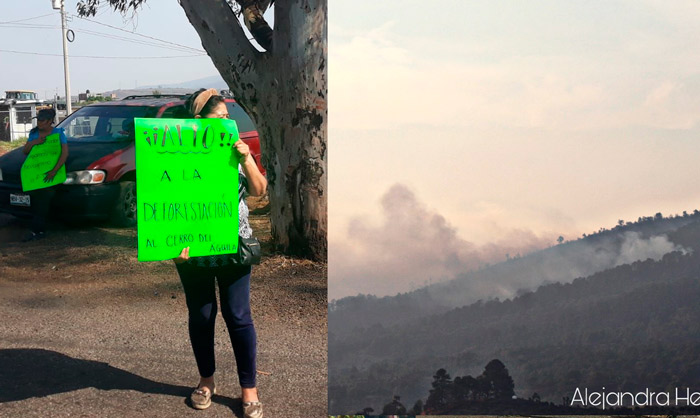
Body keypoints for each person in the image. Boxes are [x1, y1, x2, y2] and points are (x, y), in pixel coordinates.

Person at [174, 88, 267, 417]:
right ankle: (206, 382)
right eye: (220, 118)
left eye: (229, 119)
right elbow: (166, 202)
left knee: (238, 317)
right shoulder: (177, 155)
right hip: (193, 249)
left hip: (234, 245)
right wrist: (172, 245)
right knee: (201, 317)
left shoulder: (236, 150)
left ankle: (249, 389)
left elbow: (258, 190)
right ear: (198, 122)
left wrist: (246, 160)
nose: (228, 124)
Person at [22, 108, 68, 241]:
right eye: (38, 120)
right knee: (36, 203)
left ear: (49, 122)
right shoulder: (34, 133)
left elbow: (64, 153)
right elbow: (25, 151)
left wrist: (54, 171)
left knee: (43, 202)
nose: (39, 123)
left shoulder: (59, 134)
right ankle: (39, 230)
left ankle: (37, 231)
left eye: (42, 121)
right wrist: (34, 142)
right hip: (35, 176)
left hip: (51, 175)